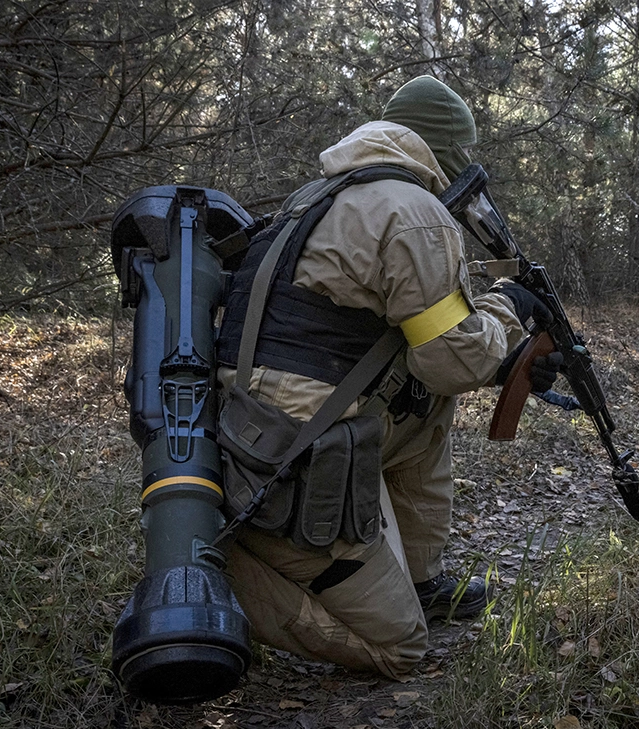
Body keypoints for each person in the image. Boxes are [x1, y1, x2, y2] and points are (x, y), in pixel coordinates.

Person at [214, 76, 561, 680]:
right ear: (448, 153)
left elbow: (429, 356)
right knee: (401, 648)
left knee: (425, 410)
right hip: (296, 457)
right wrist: (508, 310)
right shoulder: (415, 212)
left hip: (261, 426)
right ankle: (220, 575)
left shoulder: (318, 196)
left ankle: (421, 580)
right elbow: (458, 359)